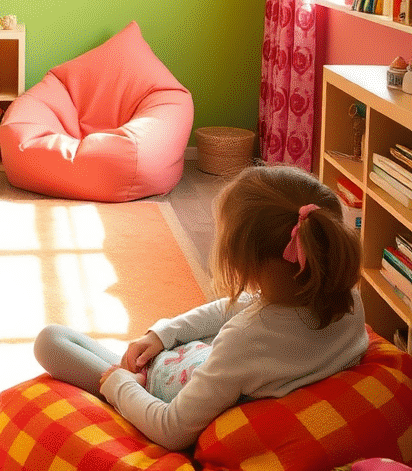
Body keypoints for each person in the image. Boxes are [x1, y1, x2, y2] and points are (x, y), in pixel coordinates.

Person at [33, 165, 368, 451]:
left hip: (161, 396)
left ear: (245, 261)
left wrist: (120, 385)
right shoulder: (345, 298)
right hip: (202, 373)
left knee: (51, 341)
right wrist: (163, 334)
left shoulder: (246, 339)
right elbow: (236, 308)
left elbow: (171, 428)